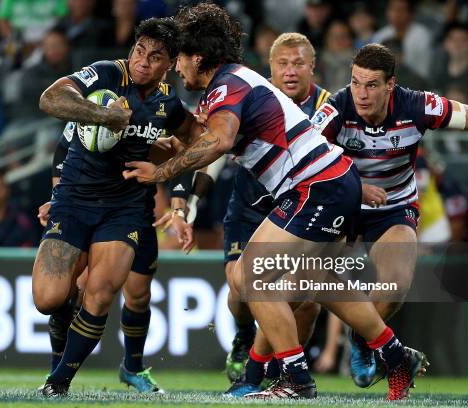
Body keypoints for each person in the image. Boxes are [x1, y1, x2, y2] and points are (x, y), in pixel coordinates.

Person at [124, 3, 427, 400]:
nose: (176, 68)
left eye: (179, 58)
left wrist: (162, 175)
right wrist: (153, 145)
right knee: (314, 280)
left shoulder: (227, 85)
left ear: (197, 57)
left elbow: (221, 140)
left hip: (317, 187)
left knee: (252, 278)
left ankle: (296, 380)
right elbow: (202, 140)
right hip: (328, 183)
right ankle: (393, 354)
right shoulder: (232, 81)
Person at [33, 17, 200, 397]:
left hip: (124, 208)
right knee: (49, 299)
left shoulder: (167, 101)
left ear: (170, 64)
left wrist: (171, 179)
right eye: (139, 50)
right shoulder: (106, 74)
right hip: (74, 199)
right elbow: (51, 98)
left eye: (155, 56)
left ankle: (58, 382)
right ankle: (60, 355)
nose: (143, 61)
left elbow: (195, 141)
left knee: (103, 291)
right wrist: (105, 116)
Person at [309, 43, 468, 388]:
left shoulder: (418, 106)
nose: (361, 94)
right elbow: (303, 158)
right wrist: (356, 187)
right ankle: (272, 370)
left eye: (372, 85)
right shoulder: (335, 108)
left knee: (394, 286)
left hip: (392, 208)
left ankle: (361, 338)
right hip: (340, 205)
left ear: (391, 84)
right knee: (302, 282)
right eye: (356, 82)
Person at [212, 32, 332, 396]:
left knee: (306, 300)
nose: (291, 71)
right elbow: (215, 143)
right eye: (283, 64)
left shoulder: (330, 107)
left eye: (299, 63)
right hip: (249, 210)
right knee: (240, 287)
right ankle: (246, 337)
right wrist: (189, 196)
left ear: (312, 66)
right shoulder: (249, 94)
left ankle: (279, 369)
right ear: (270, 68)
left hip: (299, 209)